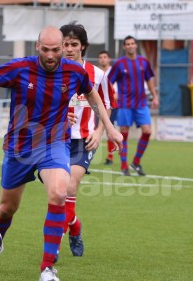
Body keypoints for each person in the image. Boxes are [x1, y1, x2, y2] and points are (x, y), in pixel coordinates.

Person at [0, 26, 123, 281]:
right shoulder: (20, 67)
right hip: (19, 147)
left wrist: (109, 128)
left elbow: (94, 96)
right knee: (7, 208)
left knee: (59, 192)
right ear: (37, 47)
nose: (51, 55)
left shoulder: (74, 71)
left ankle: (47, 267)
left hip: (54, 144)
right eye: (45, 49)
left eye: (56, 50)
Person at [55, 22, 116, 262]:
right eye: (65, 44)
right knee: (58, 193)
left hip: (84, 140)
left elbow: (107, 106)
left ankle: (55, 244)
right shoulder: (52, 71)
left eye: (73, 44)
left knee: (69, 186)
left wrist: (99, 132)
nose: (68, 49)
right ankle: (75, 226)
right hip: (55, 140)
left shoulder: (97, 74)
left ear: (83, 47)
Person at [108, 35, 159, 176]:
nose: (130, 46)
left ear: (136, 45)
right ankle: (124, 166)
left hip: (141, 103)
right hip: (124, 104)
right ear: (124, 47)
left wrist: (155, 96)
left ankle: (136, 162)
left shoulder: (143, 62)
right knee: (124, 133)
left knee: (147, 131)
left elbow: (149, 80)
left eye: (132, 43)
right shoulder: (119, 64)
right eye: (127, 44)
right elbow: (109, 82)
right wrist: (113, 95)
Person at [98, 50, 118, 166]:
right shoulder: (98, 72)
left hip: (112, 106)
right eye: (100, 57)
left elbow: (116, 93)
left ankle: (110, 156)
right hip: (97, 106)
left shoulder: (113, 72)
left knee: (110, 129)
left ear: (109, 59)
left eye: (105, 57)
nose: (103, 59)